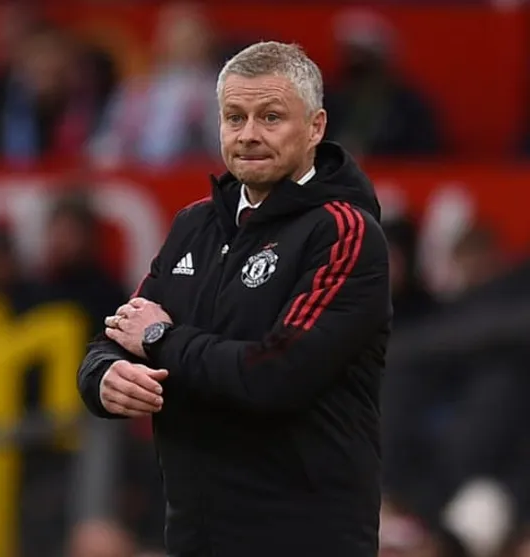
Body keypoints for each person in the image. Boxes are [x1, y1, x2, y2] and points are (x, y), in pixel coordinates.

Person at [77, 41, 391, 557]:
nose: (248, 135)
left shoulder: (343, 231)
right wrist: (104, 377)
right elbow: (121, 332)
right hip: (195, 535)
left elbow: (276, 374)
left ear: (315, 127)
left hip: (305, 539)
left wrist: (159, 338)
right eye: (234, 117)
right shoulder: (195, 223)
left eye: (271, 117)